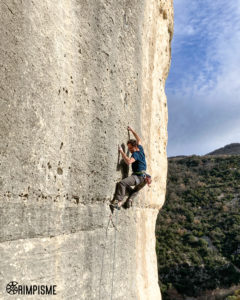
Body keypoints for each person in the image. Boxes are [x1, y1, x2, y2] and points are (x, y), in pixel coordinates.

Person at [110, 126, 149, 211]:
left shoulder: (135, 154)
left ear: (135, 147)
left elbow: (128, 162)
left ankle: (118, 202)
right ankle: (130, 199)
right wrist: (131, 130)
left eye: (131, 148)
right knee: (136, 189)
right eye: (129, 149)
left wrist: (122, 152)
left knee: (122, 183)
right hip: (145, 178)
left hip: (138, 177)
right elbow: (138, 139)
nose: (130, 150)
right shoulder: (140, 148)